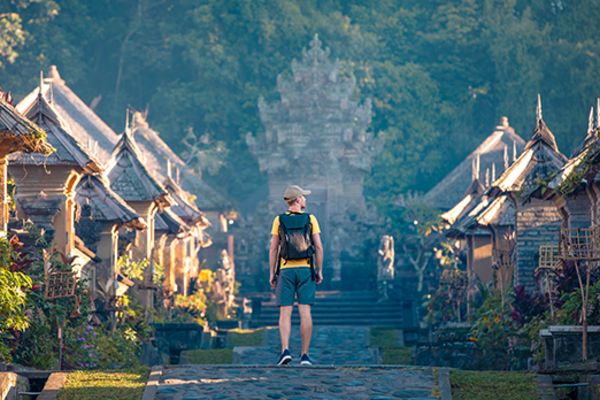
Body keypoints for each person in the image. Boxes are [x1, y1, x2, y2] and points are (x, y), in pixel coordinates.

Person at [269, 185, 323, 366]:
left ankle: (285, 350)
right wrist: (319, 270)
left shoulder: (279, 220)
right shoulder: (310, 219)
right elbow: (319, 247)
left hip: (285, 270)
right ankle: (305, 355)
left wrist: (272, 272)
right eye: (303, 197)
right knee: (305, 311)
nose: (305, 200)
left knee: (285, 312)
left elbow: (274, 248)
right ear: (298, 200)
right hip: (305, 269)